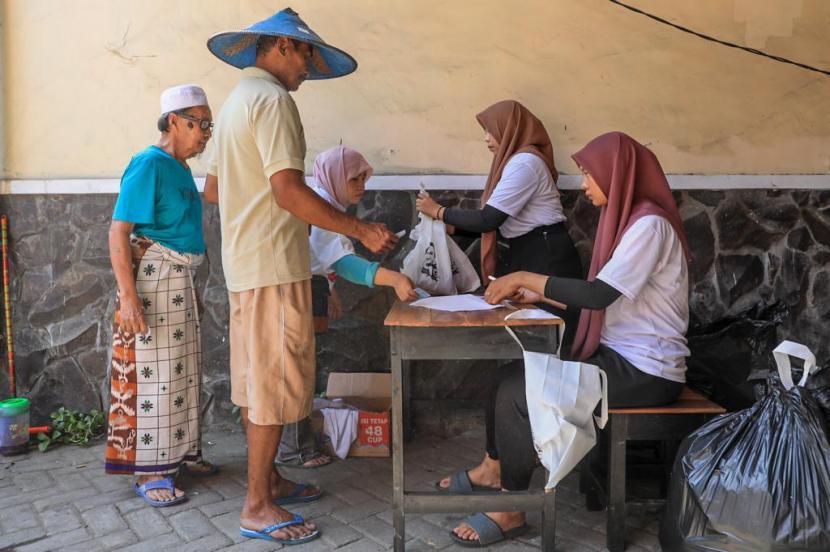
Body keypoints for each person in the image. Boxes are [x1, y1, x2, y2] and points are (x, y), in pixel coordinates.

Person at [204, 8, 397, 545]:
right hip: (273, 267)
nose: (309, 68)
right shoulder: (273, 101)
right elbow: (288, 190)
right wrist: (357, 228)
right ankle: (257, 505)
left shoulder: (236, 100)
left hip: (245, 265)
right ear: (284, 48)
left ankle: (269, 481)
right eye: (308, 55)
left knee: (254, 382)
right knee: (271, 386)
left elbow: (215, 192)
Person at [449, 131, 691, 546]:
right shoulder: (630, 221)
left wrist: (526, 276)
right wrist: (541, 295)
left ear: (616, 174)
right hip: (623, 358)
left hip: (649, 370)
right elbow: (606, 300)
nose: (583, 184)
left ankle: (511, 508)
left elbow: (598, 295)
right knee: (509, 375)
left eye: (588, 174)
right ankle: (496, 469)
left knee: (518, 390)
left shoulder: (649, 225)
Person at [415, 100, 583, 495]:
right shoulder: (517, 162)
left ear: (509, 130)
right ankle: (494, 464)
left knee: (530, 371)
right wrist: (452, 227)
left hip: (545, 264)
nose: (488, 140)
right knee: (515, 368)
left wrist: (438, 211)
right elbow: (498, 223)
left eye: (491, 130)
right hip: (532, 256)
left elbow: (490, 219)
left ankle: (511, 475)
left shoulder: (525, 163)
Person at [105, 84, 216, 507]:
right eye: (199, 123)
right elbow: (119, 232)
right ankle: (150, 471)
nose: (206, 132)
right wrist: (128, 297)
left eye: (209, 124)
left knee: (184, 373)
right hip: (153, 282)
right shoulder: (148, 163)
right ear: (174, 121)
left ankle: (181, 453)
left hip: (179, 281)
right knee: (157, 376)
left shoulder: (181, 167)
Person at [275, 146, 417, 468]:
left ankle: (298, 444)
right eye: (354, 178)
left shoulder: (326, 201)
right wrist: (393, 278)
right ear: (336, 176)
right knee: (298, 373)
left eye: (365, 179)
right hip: (298, 291)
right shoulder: (322, 205)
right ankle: (294, 449)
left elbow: (319, 256)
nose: (361, 187)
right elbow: (345, 261)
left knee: (302, 370)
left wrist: (330, 288)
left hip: (310, 287)